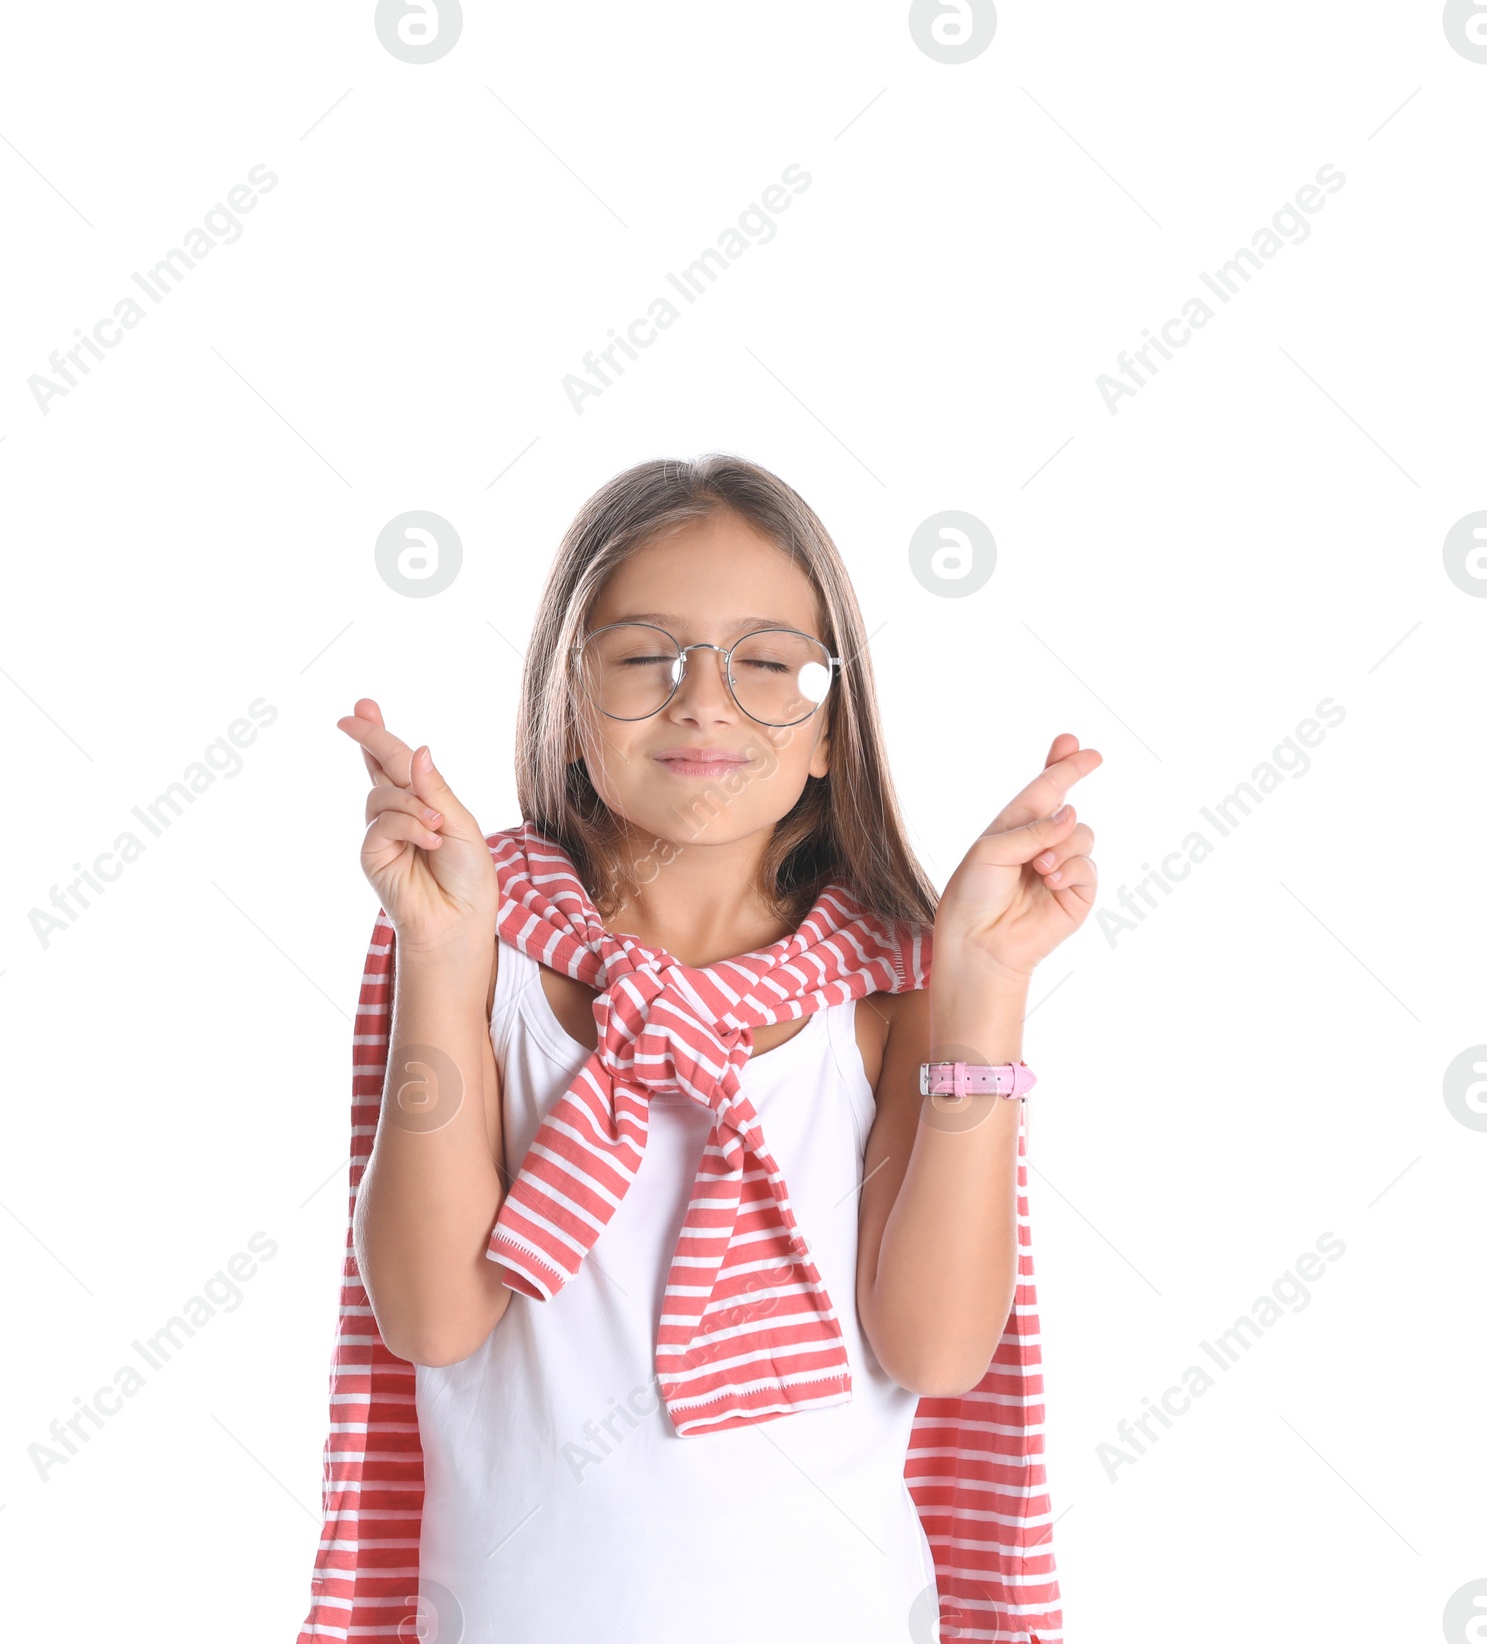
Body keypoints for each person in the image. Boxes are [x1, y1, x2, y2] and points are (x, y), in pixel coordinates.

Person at [310, 454, 1099, 1643]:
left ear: (830, 732)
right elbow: (428, 1320)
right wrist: (438, 948)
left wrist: (984, 983)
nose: (704, 699)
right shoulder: (486, 947)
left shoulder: (891, 989)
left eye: (768, 663)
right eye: (643, 656)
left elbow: (936, 1350)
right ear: (567, 706)